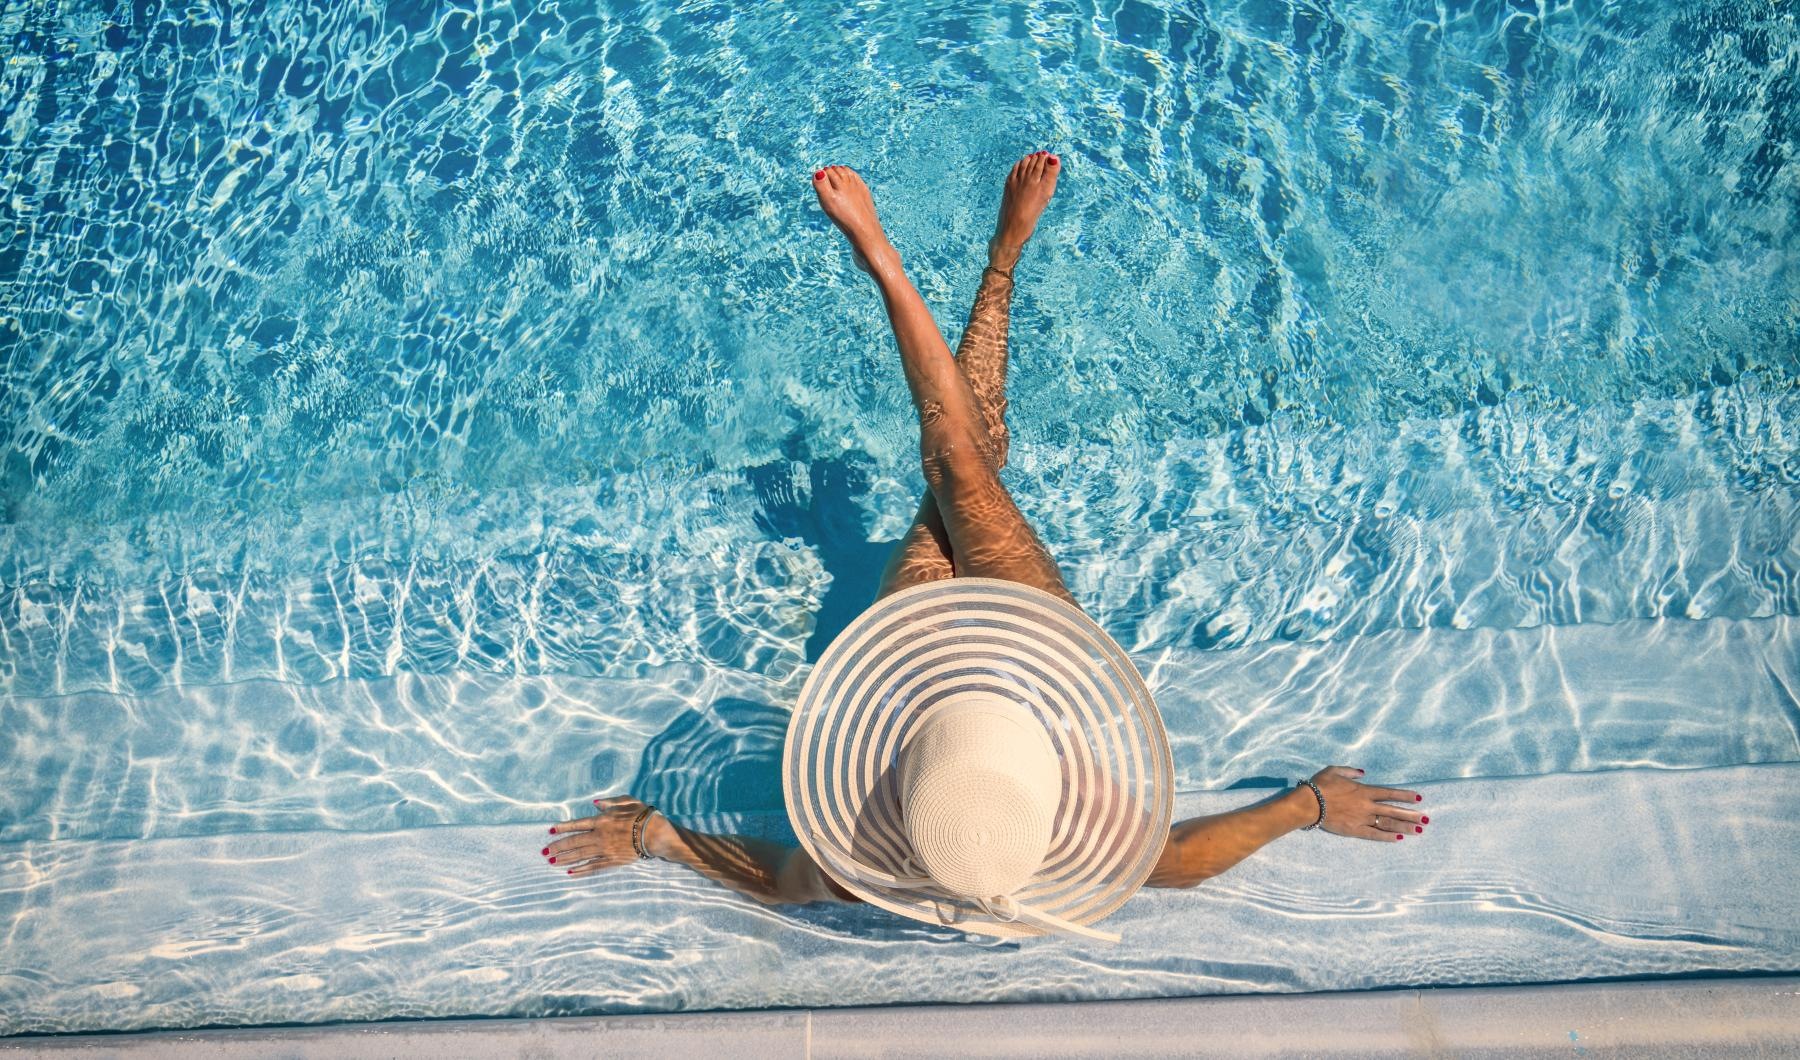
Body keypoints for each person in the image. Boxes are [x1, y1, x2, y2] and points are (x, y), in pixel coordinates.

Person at [540, 153, 1427, 937]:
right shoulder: (1073, 843)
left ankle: (893, 267)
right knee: (966, 465)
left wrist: (654, 835)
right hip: (1028, 643)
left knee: (958, 467)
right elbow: (1184, 858)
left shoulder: (868, 870)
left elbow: (778, 879)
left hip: (914, 651)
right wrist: (1307, 805)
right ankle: (995, 263)